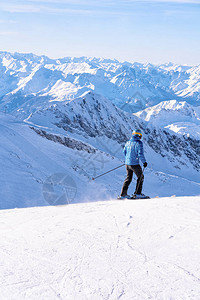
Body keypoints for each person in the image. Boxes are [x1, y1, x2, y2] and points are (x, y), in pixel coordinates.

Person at [119, 129, 148, 199]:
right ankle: (137, 194)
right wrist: (144, 162)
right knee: (140, 177)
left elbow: (124, 152)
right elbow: (140, 154)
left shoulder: (128, 142)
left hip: (127, 164)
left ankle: (123, 195)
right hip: (134, 164)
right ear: (139, 135)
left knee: (128, 178)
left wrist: (128, 159)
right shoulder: (139, 143)